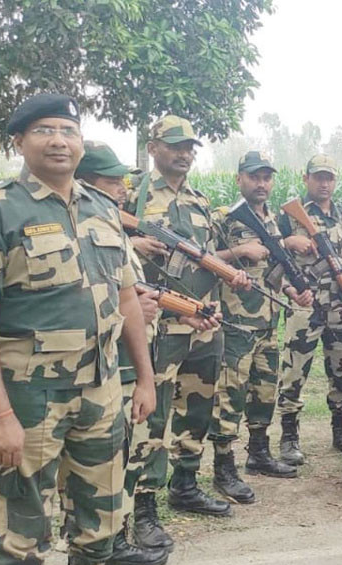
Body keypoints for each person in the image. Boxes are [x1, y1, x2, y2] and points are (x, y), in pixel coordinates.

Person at [0, 93, 156, 565]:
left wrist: (145, 379)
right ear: (19, 141)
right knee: (22, 524)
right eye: (44, 129)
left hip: (102, 390)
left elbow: (129, 297)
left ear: (81, 143)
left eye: (68, 129)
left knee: (103, 511)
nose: (59, 139)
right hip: (29, 399)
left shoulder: (102, 207)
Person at [126, 115, 250, 517]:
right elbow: (101, 238)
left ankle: (185, 484)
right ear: (153, 148)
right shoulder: (132, 196)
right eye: (176, 145)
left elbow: (209, 256)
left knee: (197, 409)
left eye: (190, 147)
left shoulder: (199, 201)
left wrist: (231, 274)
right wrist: (134, 241)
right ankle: (144, 505)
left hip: (202, 323)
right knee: (153, 415)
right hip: (156, 325)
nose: (184, 153)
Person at [74, 141, 169, 565]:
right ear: (85, 183)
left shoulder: (112, 229)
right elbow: (80, 303)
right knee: (98, 466)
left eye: (123, 181)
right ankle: (93, 563)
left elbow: (125, 292)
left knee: (123, 457)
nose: (123, 189)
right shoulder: (82, 228)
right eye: (112, 181)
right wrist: (130, 310)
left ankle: (114, 542)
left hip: (127, 363)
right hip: (96, 367)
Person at [212, 151, 312, 483]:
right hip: (236, 322)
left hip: (269, 322)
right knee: (230, 395)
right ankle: (224, 466)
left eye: (267, 177)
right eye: (254, 177)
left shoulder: (271, 220)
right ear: (239, 178)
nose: (261, 184)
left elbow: (270, 272)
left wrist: (290, 291)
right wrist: (237, 252)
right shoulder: (225, 218)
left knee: (264, 391)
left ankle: (258, 453)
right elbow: (201, 257)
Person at [276, 154, 342, 463]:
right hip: (306, 304)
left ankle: (340, 429)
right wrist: (289, 241)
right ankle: (289, 435)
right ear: (306, 179)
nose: (324, 183)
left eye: (329, 177)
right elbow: (271, 253)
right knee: (293, 371)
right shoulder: (290, 215)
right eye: (318, 177)